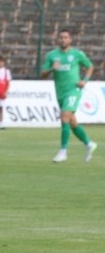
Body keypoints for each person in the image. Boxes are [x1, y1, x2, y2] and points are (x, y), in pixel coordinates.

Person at [40, 29, 97, 163]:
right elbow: (42, 74)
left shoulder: (77, 54)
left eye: (66, 37)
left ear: (70, 40)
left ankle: (63, 151)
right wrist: (51, 69)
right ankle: (89, 143)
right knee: (72, 123)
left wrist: (84, 81)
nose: (63, 40)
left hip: (74, 90)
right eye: (61, 37)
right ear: (58, 39)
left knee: (64, 118)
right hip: (60, 92)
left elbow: (90, 67)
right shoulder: (52, 55)